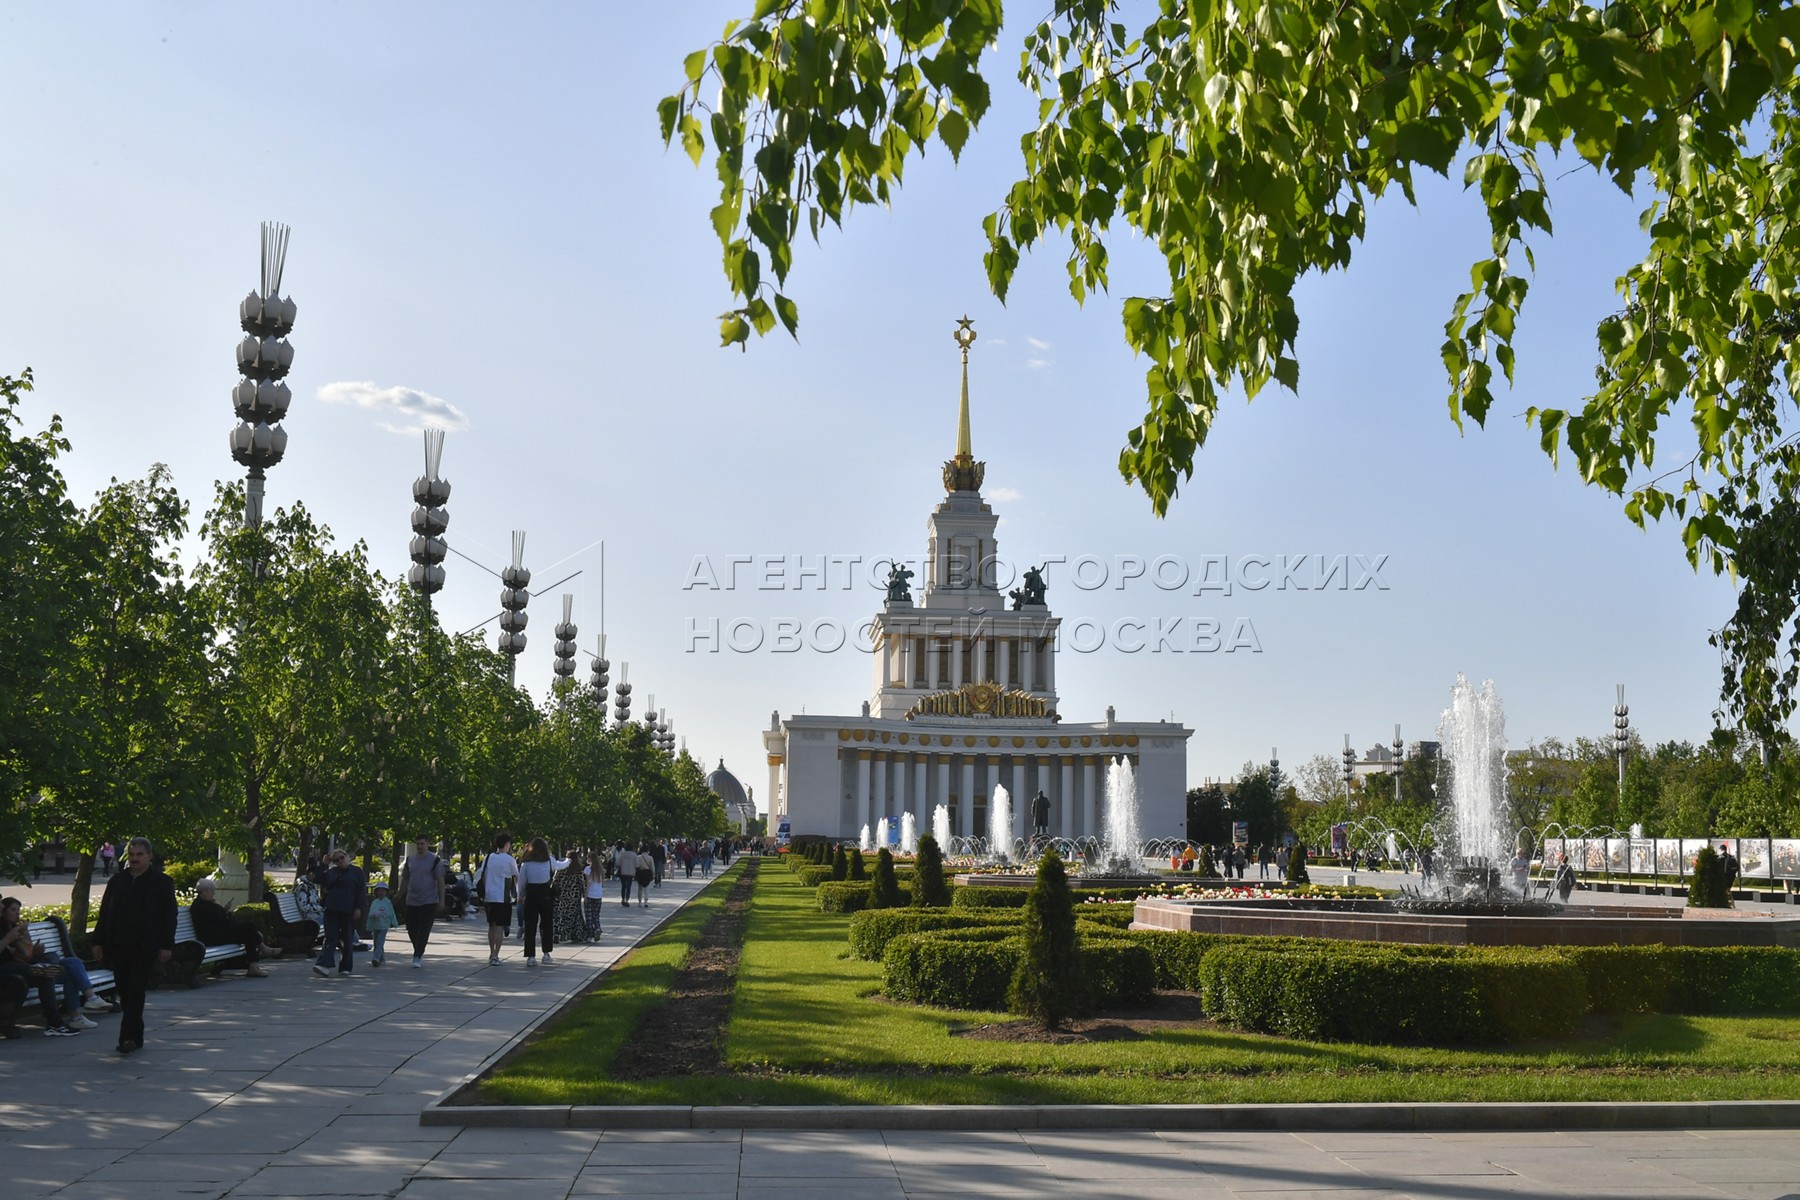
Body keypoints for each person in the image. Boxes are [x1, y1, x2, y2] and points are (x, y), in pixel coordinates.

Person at [92, 836, 178, 1053]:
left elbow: (169, 915)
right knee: (125, 991)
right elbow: (105, 913)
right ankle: (136, 1034)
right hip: (118, 945)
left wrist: (166, 945)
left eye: (140, 854)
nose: (135, 859)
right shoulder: (117, 881)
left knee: (136, 990)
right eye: (131, 855)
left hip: (145, 946)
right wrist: (98, 941)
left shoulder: (161, 882)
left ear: (149, 856)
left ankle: (127, 1038)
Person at [0, 896, 88, 1035]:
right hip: (7, 968)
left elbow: (22, 954)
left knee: (60, 967)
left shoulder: (10, 927)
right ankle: (55, 1023)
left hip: (21, 965)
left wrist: (33, 950)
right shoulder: (5, 929)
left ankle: (70, 1017)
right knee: (46, 974)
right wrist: (7, 939)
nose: (2, 906)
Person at [190, 879, 268, 977]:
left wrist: (223, 910)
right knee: (248, 927)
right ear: (204, 892)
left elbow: (218, 918)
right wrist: (223, 911)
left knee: (248, 932)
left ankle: (254, 964)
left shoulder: (207, 903)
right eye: (211, 891)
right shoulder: (200, 906)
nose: (213, 893)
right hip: (212, 937)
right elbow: (216, 920)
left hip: (218, 934)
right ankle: (259, 955)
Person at [310, 848, 366, 978]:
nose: (340, 861)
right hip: (332, 908)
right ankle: (324, 964)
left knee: (347, 938)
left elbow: (361, 891)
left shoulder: (357, 872)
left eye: (342, 857)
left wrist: (359, 908)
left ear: (347, 856)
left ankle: (346, 966)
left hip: (348, 909)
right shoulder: (332, 872)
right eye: (336, 860)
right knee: (331, 936)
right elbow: (317, 879)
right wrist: (324, 864)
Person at [516, 838, 569, 965]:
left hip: (531, 894)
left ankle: (530, 956)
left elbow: (521, 882)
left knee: (530, 926)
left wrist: (520, 896)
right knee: (546, 924)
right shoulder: (549, 860)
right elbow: (560, 865)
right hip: (545, 894)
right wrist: (569, 860)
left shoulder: (526, 864)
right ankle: (546, 953)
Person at [398, 836, 447, 969]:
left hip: (428, 900)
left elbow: (440, 881)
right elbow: (405, 878)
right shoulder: (410, 859)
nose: (420, 846)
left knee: (424, 928)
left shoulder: (434, 860)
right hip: (412, 899)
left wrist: (441, 899)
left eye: (422, 844)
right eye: (418, 844)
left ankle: (418, 955)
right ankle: (418, 948)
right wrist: (399, 894)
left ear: (427, 844)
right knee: (411, 928)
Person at [478, 833, 520, 967]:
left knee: (492, 925)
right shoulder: (509, 860)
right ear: (506, 844)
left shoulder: (488, 857)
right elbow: (516, 876)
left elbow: (482, 873)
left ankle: (491, 952)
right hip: (503, 896)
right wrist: (519, 894)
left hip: (489, 896)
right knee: (500, 927)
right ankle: (496, 955)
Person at [553, 852, 587, 945]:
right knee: (574, 915)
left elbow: (555, 880)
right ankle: (575, 934)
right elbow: (582, 883)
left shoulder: (561, 868)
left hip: (561, 895)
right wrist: (584, 894)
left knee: (559, 915)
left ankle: (558, 933)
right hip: (574, 896)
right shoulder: (578, 870)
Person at [364, 882, 398, 966]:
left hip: (384, 925)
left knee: (380, 942)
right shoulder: (374, 902)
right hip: (376, 925)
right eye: (379, 891)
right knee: (376, 943)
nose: (381, 892)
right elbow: (370, 914)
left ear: (386, 892)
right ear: (376, 892)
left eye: (383, 891)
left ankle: (376, 958)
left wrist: (394, 922)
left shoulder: (388, 902)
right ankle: (382, 959)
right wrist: (370, 923)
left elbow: (391, 913)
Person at [581, 854, 606, 943]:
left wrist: (585, 895)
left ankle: (589, 935)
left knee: (589, 916)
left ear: (590, 859)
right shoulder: (600, 870)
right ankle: (598, 928)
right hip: (598, 895)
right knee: (596, 915)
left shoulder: (587, 869)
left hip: (590, 894)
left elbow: (588, 883)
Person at [615, 842, 638, 907]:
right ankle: (627, 899)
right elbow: (637, 864)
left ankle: (623, 898)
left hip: (623, 872)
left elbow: (617, 863)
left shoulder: (622, 854)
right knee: (628, 887)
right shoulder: (634, 855)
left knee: (623, 886)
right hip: (630, 873)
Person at [634, 843, 655, 907]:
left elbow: (636, 866)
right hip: (647, 873)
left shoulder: (638, 857)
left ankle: (639, 901)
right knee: (647, 888)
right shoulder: (650, 858)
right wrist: (653, 874)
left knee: (640, 888)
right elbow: (652, 867)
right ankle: (646, 901)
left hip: (640, 873)